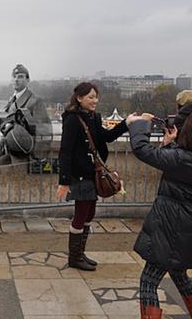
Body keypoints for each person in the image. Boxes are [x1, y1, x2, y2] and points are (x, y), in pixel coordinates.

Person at [127, 110, 192, 319]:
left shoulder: (181, 158)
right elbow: (184, 168)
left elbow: (142, 150)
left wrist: (138, 124)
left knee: (149, 282)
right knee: (180, 276)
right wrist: (170, 144)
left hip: (171, 229)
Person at [56, 82, 128, 271]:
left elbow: (108, 137)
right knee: (81, 215)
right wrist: (64, 181)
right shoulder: (72, 120)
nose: (95, 100)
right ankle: (75, 257)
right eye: (90, 97)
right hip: (80, 175)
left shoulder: (93, 118)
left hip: (92, 173)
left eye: (96, 96)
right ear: (79, 98)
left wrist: (127, 123)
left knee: (89, 214)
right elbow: (65, 151)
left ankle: (80, 254)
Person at [0, 64, 52, 167]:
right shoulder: (12, 100)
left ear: (28, 80)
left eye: (20, 77)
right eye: (14, 77)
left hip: (25, 156)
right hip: (12, 151)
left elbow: (44, 131)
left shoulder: (35, 101)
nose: (16, 80)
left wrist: (37, 157)